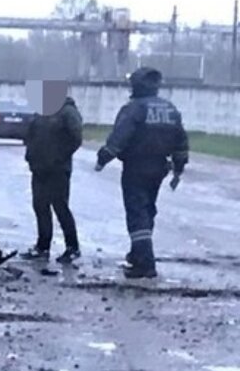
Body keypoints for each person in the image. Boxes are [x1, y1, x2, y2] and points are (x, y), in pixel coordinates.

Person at [95, 66, 189, 279]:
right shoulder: (170, 109)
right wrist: (178, 168)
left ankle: (145, 264)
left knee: (137, 213)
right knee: (147, 210)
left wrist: (103, 158)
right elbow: (181, 141)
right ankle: (138, 253)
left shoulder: (134, 109)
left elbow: (120, 137)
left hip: (136, 167)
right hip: (159, 168)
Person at [20, 93, 83, 264]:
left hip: (58, 169)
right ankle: (42, 246)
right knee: (40, 206)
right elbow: (31, 135)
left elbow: (76, 138)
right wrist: (30, 156)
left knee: (60, 207)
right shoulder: (42, 112)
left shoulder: (68, 112)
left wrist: (58, 157)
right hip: (39, 168)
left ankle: (72, 247)